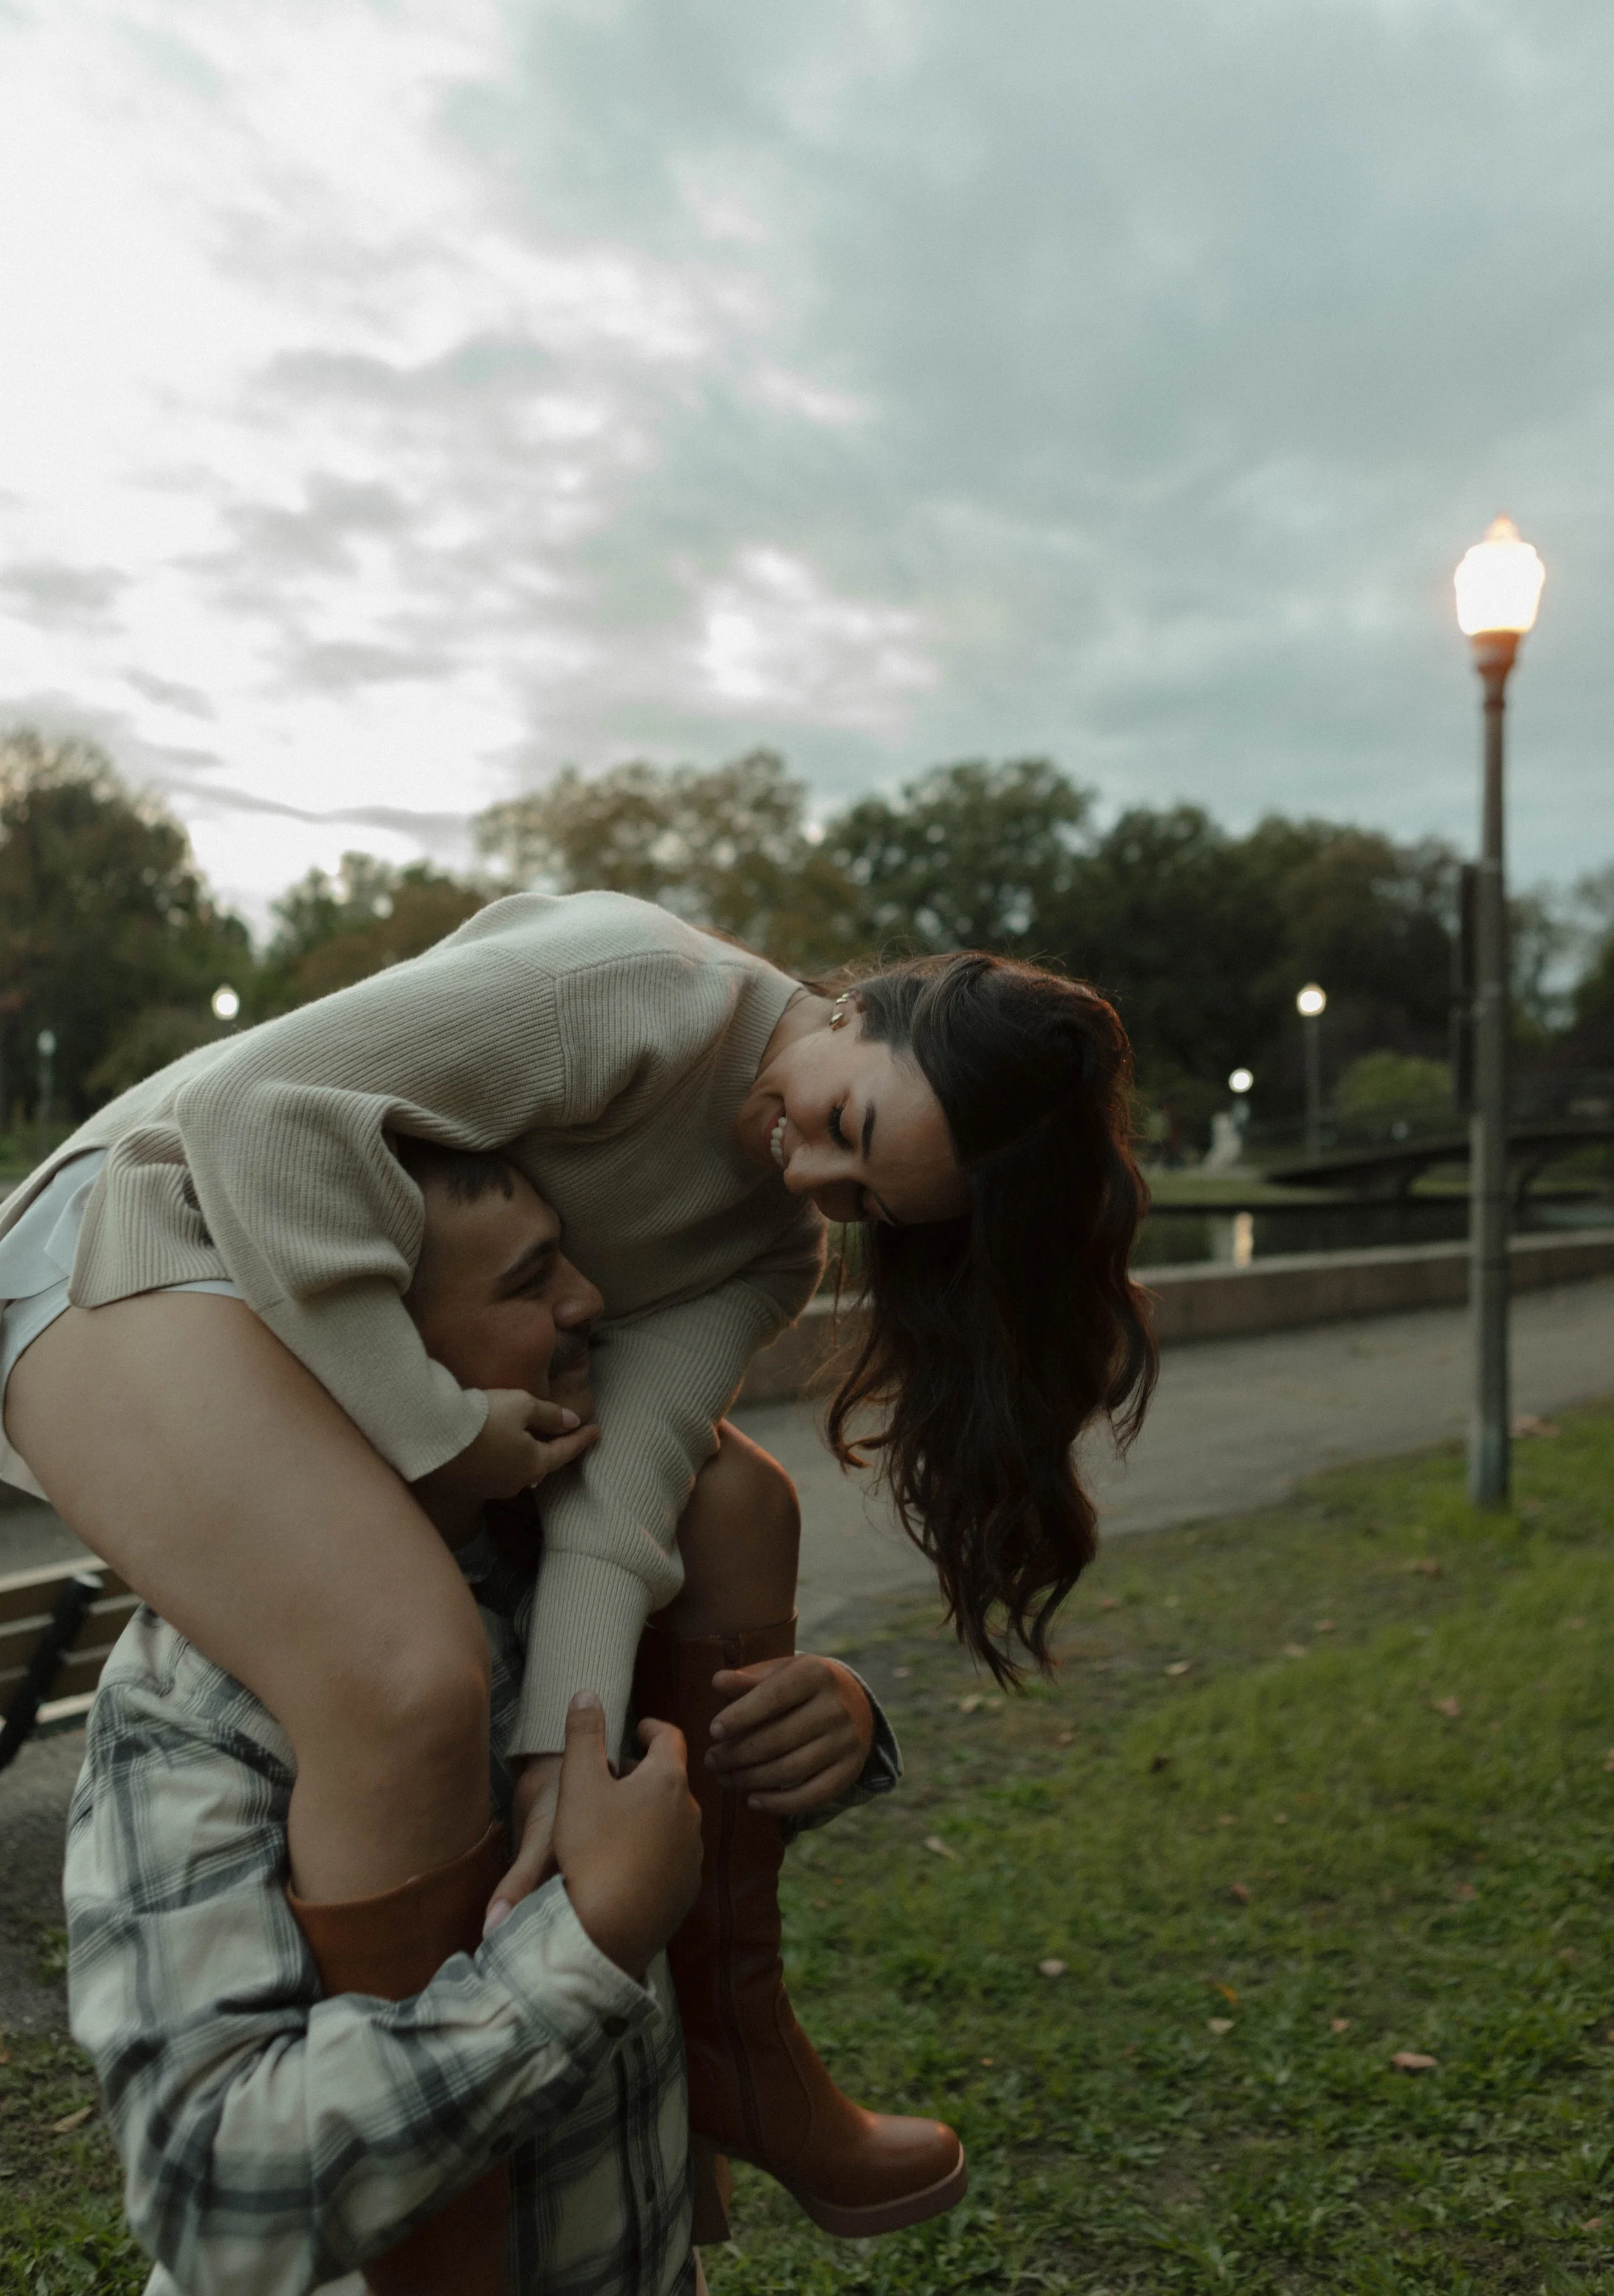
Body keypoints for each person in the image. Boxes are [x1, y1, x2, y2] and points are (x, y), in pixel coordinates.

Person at [3, 890, 1153, 2252]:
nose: (810, 1185)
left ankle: (733, 2049)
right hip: (145, 1215)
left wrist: (570, 1751)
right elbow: (258, 1114)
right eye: (846, 1130)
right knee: (405, 1674)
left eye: (863, 1203)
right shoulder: (631, 991)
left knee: (731, 1503)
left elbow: (623, 1501)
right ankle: (434, 2246)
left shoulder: (769, 1251)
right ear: (864, 1007)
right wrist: (435, 1430)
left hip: (336, 1270)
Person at [63, 1163, 906, 2293]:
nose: (589, 1298)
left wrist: (829, 1728)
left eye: (567, 1249)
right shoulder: (201, 1689)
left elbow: (679, 1844)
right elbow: (211, 2188)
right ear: (379, 1361)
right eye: (526, 1282)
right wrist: (588, 1941)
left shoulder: (572, 1567)